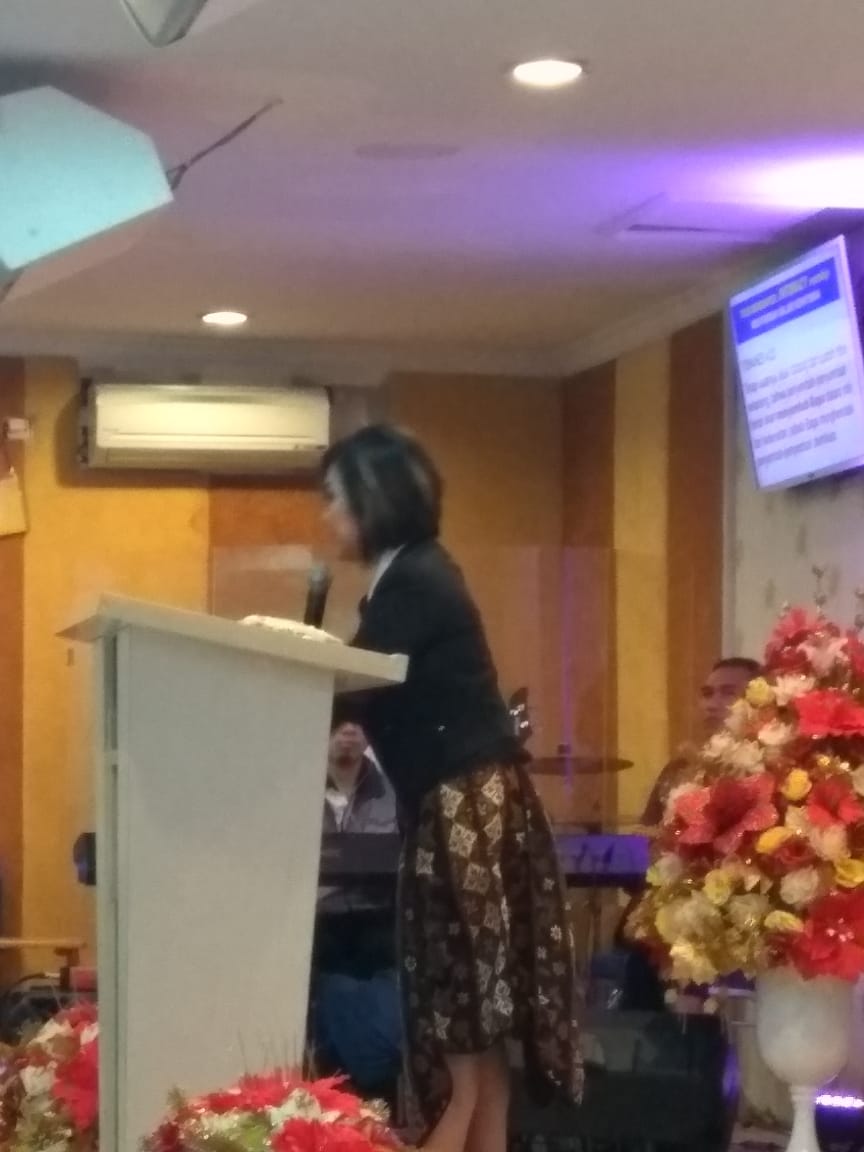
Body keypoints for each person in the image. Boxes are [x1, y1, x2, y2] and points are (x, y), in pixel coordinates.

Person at [320, 424, 582, 1152]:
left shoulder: (414, 579)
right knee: (478, 1042)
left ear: (374, 498)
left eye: (335, 497)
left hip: (464, 808)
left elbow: (356, 683)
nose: (327, 514)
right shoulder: (410, 574)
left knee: (463, 1015)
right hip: (469, 801)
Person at [312, 709, 402, 1094]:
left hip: (378, 921)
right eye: (338, 720)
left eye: (356, 722)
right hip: (317, 924)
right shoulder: (297, 787)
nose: (348, 730)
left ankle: (364, 1091)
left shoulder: (393, 790)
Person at [640, 656, 762, 826]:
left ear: (759, 703)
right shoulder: (679, 770)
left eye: (728, 693)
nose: (711, 705)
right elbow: (646, 835)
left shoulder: (769, 769)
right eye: (707, 694)